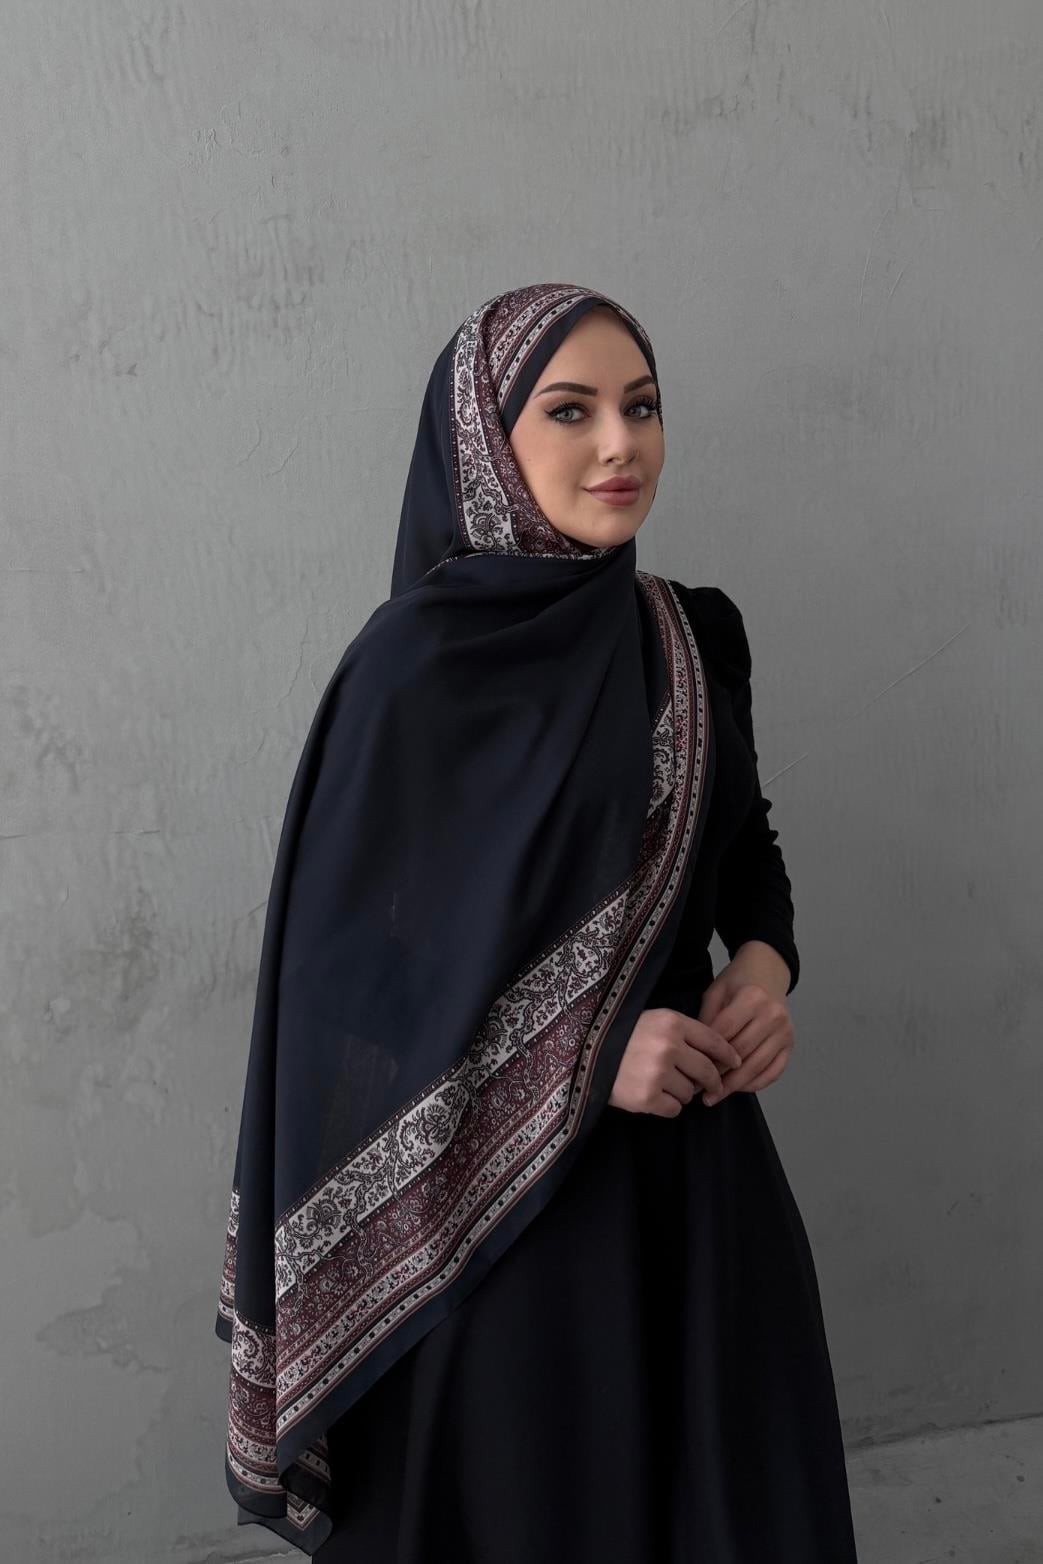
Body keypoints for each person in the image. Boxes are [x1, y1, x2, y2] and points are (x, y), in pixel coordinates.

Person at [215, 282, 859, 1562]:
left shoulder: (690, 633)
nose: (619, 443)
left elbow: (744, 849)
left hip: (700, 1186)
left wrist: (764, 968)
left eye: (642, 406)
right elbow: (348, 981)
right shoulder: (412, 670)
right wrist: (587, 1056)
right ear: (483, 440)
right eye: (569, 411)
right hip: (504, 1220)